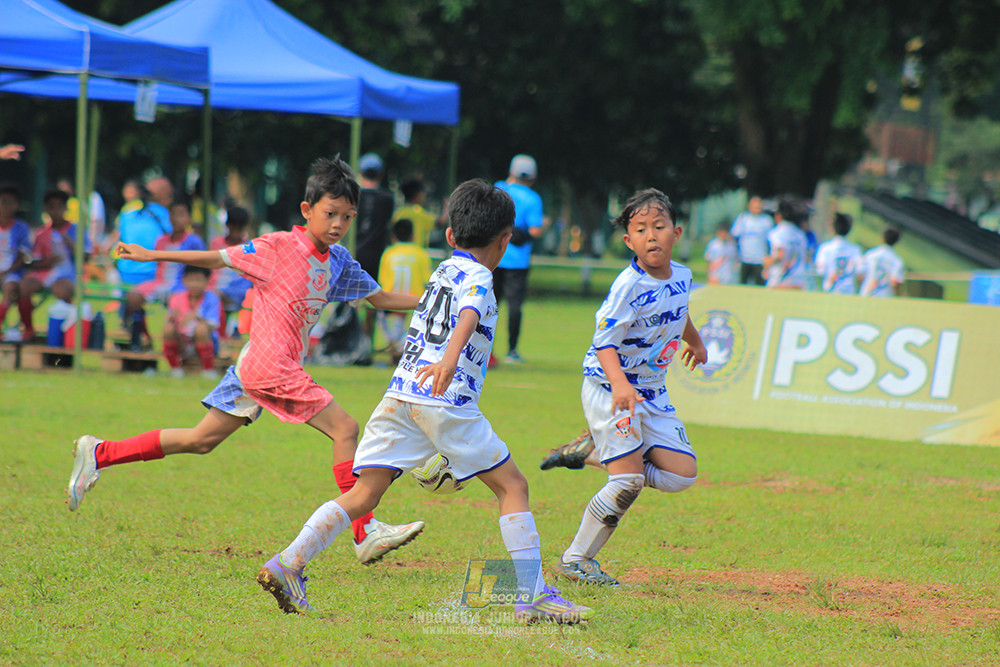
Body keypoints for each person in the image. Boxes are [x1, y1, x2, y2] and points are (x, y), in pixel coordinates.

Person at [256, 179, 594, 623]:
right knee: (514, 487)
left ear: (451, 236)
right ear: (506, 241)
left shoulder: (442, 270)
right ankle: (531, 595)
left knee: (363, 496)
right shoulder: (479, 276)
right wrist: (451, 361)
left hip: (401, 394)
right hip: (443, 398)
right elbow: (470, 314)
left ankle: (288, 563)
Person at [66, 156, 425, 566]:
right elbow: (217, 257)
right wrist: (151, 255)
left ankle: (99, 453)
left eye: (347, 216)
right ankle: (365, 531)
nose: (338, 224)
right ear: (307, 211)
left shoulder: (339, 261)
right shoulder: (277, 247)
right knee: (345, 427)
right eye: (330, 214)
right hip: (271, 366)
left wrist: (432, 301)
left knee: (200, 440)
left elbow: (379, 299)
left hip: (253, 365)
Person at [552, 189, 707, 586]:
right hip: (610, 387)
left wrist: (695, 340)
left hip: (652, 392)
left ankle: (593, 450)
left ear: (677, 232)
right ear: (628, 241)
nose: (651, 236)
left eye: (659, 227)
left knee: (682, 475)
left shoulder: (684, 276)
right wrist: (620, 385)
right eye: (641, 229)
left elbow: (678, 310)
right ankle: (576, 559)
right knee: (628, 481)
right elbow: (604, 342)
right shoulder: (627, 287)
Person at [494, 154, 545, 363]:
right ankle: (512, 350)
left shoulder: (497, 189)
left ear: (511, 172)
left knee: (486, 305)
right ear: (533, 177)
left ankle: (480, 348)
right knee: (515, 307)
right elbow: (535, 231)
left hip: (492, 256)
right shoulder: (533, 198)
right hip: (518, 262)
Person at [21, 188, 91, 338]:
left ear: (66, 208)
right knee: (24, 287)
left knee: (63, 292)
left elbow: (86, 256)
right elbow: (34, 262)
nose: (56, 211)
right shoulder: (42, 233)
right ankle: (28, 329)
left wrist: (71, 245)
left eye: (60, 206)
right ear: (46, 209)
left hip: (68, 273)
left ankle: (65, 336)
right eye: (51, 206)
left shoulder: (76, 230)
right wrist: (48, 262)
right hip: (46, 272)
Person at [377, 218, 432, 364]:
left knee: (390, 325)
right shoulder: (421, 253)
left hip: (390, 300)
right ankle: (402, 351)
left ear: (393, 236)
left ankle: (395, 350)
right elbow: (427, 280)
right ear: (413, 235)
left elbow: (383, 280)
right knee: (411, 328)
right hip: (414, 301)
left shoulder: (388, 253)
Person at [354, 153, 394, 338]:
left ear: (361, 172)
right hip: (377, 254)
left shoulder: (354, 196)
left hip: (354, 252)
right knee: (373, 299)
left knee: (349, 299)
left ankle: (350, 337)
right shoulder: (387, 198)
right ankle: (366, 337)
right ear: (380, 174)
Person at [163, 265, 222, 378]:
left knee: (201, 329)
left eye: (198, 280)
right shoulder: (176, 298)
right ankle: (175, 369)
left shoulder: (212, 298)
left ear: (207, 281)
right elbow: (171, 321)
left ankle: (208, 369)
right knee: (168, 329)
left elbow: (214, 324)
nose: (194, 284)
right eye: (191, 280)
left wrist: (197, 318)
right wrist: (174, 319)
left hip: (204, 340)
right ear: (184, 280)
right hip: (182, 341)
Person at [209, 206, 253, 332]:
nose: (235, 230)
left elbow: (246, 281)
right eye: (233, 226)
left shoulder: (248, 248)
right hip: (215, 288)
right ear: (228, 225)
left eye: (239, 227)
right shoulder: (216, 244)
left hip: (238, 293)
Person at [0, 183, 32, 339]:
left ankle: (27, 330)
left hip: (11, 273)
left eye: (11, 202)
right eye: (3, 201)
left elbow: (23, 256)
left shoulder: (21, 228)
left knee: (11, 287)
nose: (6, 206)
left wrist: (7, 271)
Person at [762, 199, 809, 289]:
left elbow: (780, 254)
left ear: (778, 215)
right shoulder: (800, 234)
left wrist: (767, 262)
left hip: (781, 277)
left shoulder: (776, 232)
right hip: (798, 278)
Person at [730, 195, 773, 285]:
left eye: (759, 207)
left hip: (760, 259)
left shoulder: (767, 220)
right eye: (755, 207)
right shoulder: (743, 218)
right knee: (742, 284)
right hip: (744, 258)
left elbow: (771, 241)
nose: (757, 209)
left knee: (759, 285)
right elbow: (735, 236)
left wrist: (769, 256)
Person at [815, 213, 862, 294]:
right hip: (848, 293)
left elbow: (820, 271)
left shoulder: (825, 248)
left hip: (830, 291)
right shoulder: (855, 249)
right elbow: (859, 271)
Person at [857, 227, 905, 297]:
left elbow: (860, 274)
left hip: (867, 294)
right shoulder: (897, 260)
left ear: (881, 238)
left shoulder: (870, 254)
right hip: (885, 297)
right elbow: (895, 282)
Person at [392, 177, 438, 248]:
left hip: (399, 251)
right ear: (416, 194)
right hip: (416, 252)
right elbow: (438, 223)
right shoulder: (419, 212)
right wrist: (447, 209)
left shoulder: (398, 213)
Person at [703, 221, 738, 285]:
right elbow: (708, 260)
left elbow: (735, 260)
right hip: (716, 275)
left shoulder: (732, 245)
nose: (724, 234)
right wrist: (709, 274)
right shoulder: (713, 244)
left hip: (729, 276)